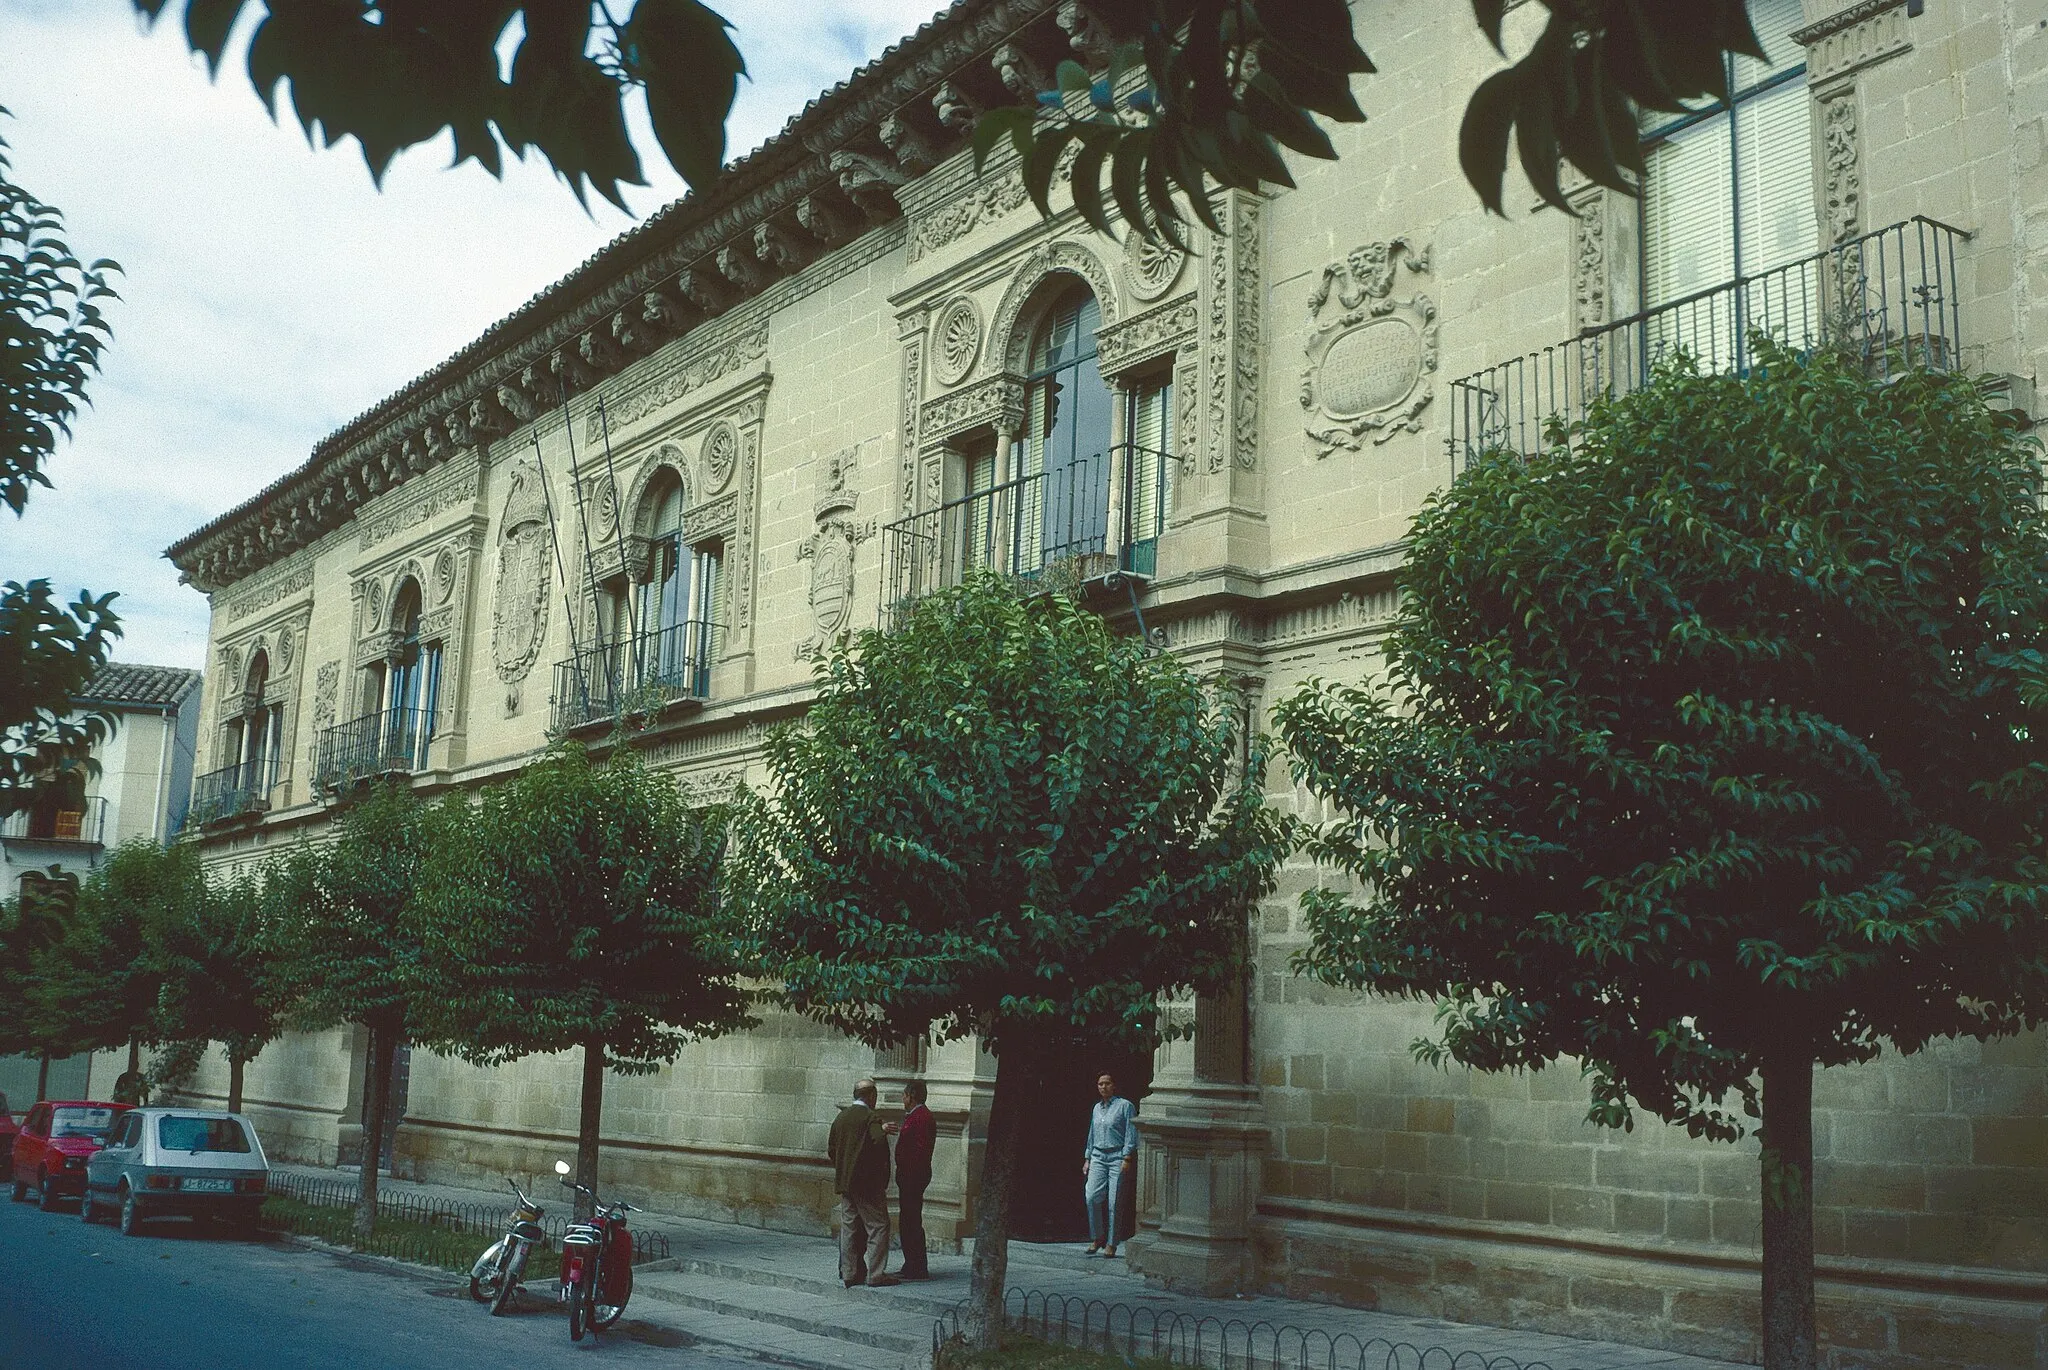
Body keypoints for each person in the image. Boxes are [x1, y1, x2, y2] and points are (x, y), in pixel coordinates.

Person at [827, 1077, 897, 1287]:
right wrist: (883, 1130)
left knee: (848, 1227)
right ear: (871, 1096)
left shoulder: (841, 1118)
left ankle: (849, 1272)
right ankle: (876, 1274)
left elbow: (832, 1150)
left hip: (846, 1183)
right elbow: (876, 1141)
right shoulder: (870, 1117)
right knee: (878, 1226)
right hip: (867, 1184)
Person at [1082, 1071, 1138, 1258]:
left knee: (1115, 1202)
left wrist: (1127, 1158)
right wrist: (1088, 1158)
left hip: (1117, 1156)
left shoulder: (1125, 1106)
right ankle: (1097, 1237)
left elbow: (1131, 1132)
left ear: (1114, 1086)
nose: (1103, 1087)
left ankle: (1112, 1243)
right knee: (1092, 1196)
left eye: (1107, 1083)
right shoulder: (1096, 1108)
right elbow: (1092, 1133)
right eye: (1100, 1084)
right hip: (1098, 1155)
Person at [883, 1079, 934, 1279]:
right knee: (909, 1219)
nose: (902, 1099)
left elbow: (919, 1150)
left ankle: (916, 1265)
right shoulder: (917, 1116)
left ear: (911, 1096)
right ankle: (912, 1263)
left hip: (913, 1177)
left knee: (911, 1220)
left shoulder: (921, 1117)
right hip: (911, 1176)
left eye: (904, 1095)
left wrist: (907, 1170)